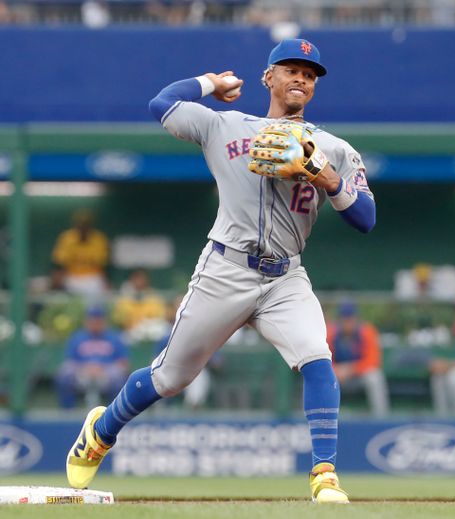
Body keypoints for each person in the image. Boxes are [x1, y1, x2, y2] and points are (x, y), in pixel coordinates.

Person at [65, 38, 375, 504]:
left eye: (309, 74)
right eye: (291, 69)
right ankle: (101, 430)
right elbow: (162, 103)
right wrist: (211, 83)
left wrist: (322, 174)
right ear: (268, 77)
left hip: (285, 276)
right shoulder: (226, 125)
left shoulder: (333, 147)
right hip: (225, 268)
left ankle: (324, 475)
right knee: (170, 379)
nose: (301, 79)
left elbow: (366, 218)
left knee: (316, 354)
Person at [55, 306, 129, 409]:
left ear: (104, 321)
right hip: (82, 372)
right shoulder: (77, 337)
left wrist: (101, 368)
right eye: (92, 320)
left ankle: (114, 412)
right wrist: (86, 368)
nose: (95, 323)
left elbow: (123, 363)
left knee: (118, 374)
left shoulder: (114, 337)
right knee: (65, 372)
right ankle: (68, 411)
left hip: (106, 373)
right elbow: (70, 361)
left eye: (98, 320)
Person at [326, 300, 389, 417]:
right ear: (339, 319)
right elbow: (323, 359)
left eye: (350, 318)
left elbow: (373, 360)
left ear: (356, 318)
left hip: (359, 375)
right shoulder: (331, 332)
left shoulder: (367, 331)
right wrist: (336, 370)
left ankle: (381, 417)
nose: (347, 322)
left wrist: (352, 369)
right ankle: (324, 418)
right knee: (320, 378)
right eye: (344, 318)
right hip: (337, 375)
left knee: (375, 377)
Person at [51, 209, 110, 298]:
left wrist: (105, 281)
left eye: (86, 225)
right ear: (75, 225)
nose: (83, 228)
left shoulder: (99, 239)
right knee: (69, 303)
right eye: (80, 225)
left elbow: (103, 265)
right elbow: (59, 263)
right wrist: (58, 278)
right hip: (71, 276)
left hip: (92, 278)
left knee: (95, 302)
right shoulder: (67, 238)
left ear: (90, 226)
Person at [112, 269, 168, 336]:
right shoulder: (124, 300)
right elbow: (118, 321)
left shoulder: (154, 298)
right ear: (131, 280)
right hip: (128, 334)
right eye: (137, 278)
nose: (139, 282)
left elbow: (160, 318)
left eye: (142, 279)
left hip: (150, 333)